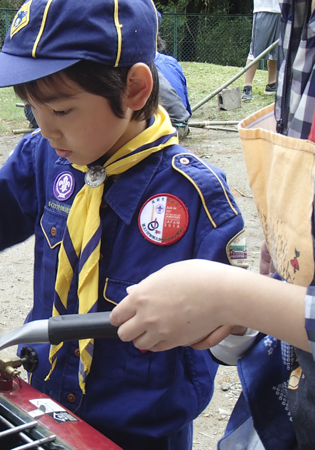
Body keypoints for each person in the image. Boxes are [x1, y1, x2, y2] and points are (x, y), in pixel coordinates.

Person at [0, 0, 247, 448]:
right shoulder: (43, 155)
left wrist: (232, 323)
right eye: (31, 108)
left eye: (61, 111)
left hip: (141, 432)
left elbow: (234, 341)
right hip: (44, 405)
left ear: (134, 89)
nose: (46, 128)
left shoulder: (195, 195)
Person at [111, 0, 315, 448]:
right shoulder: (297, 19)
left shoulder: (192, 182)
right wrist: (266, 293)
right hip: (278, 409)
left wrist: (236, 297)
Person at [241, 0, 281, 101]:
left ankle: (272, 84)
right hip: (264, 9)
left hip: (282, 10)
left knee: (277, 50)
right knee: (256, 52)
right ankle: (247, 87)